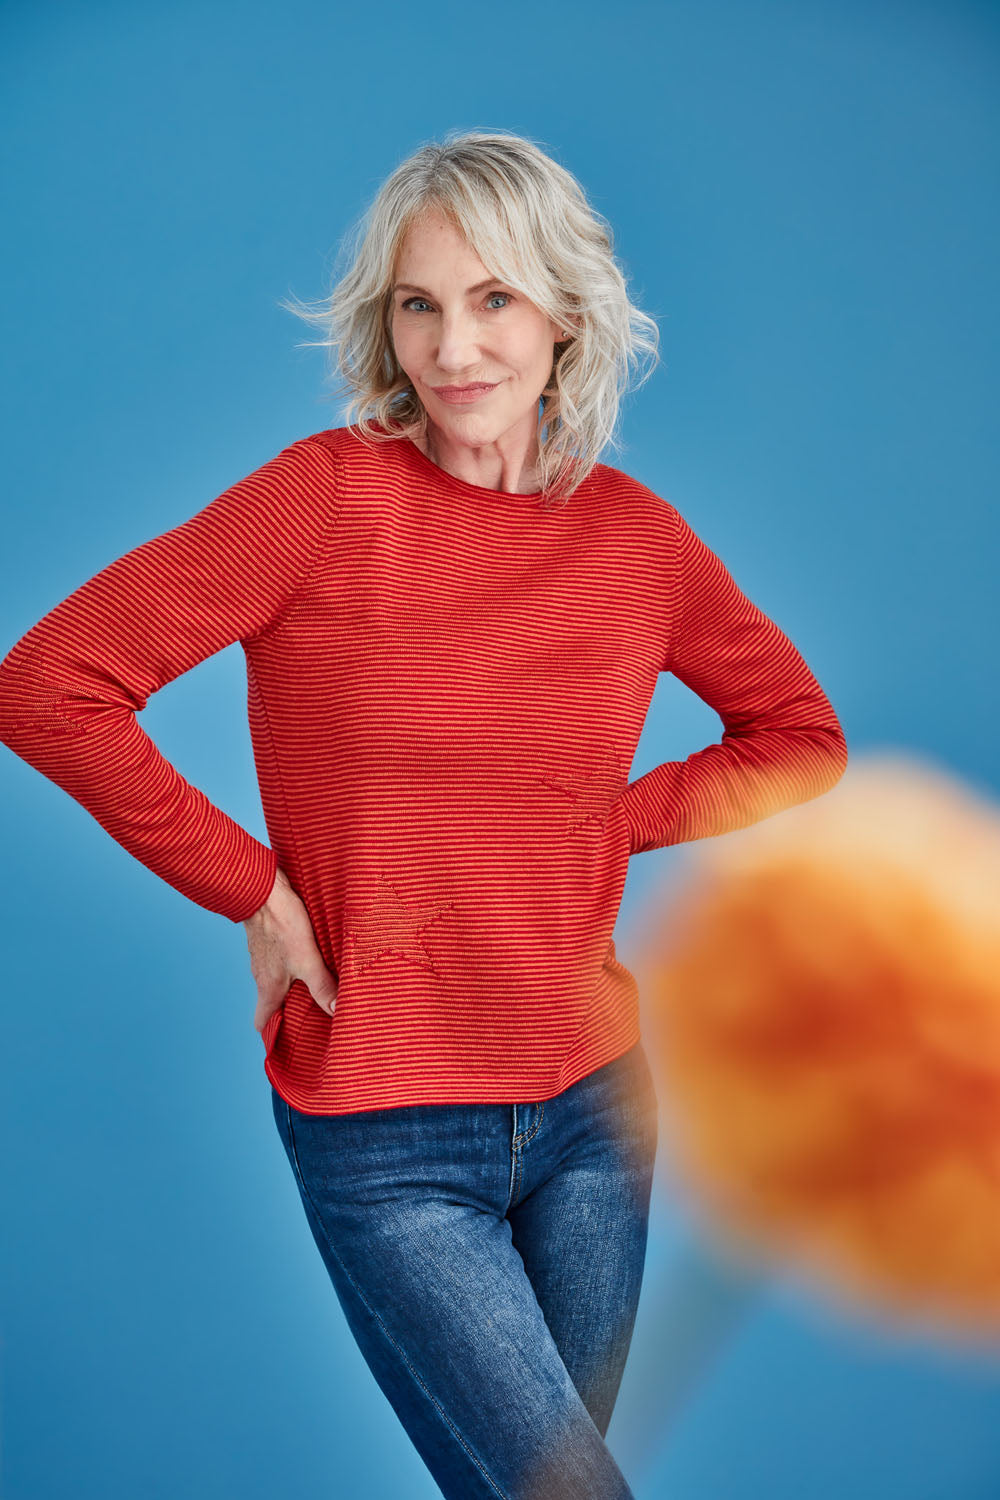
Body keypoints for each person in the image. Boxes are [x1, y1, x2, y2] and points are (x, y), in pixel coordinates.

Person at [0, 129, 848, 1498]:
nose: (455, 348)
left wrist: (609, 825)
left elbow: (802, 742)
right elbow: (49, 687)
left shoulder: (636, 540)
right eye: (420, 303)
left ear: (565, 314)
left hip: (595, 1117)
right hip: (387, 1129)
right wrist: (253, 890)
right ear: (384, 321)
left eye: (494, 298)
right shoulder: (325, 502)